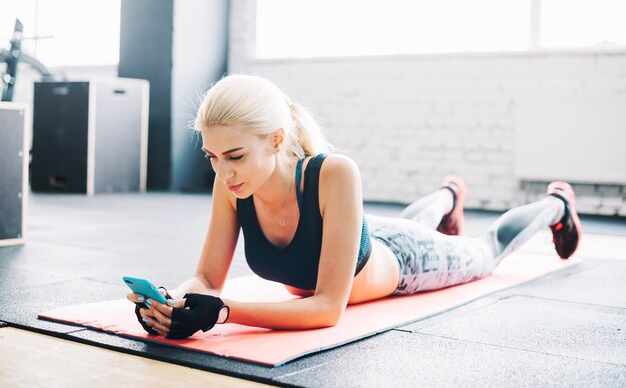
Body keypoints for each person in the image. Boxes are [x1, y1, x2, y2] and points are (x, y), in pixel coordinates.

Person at [127, 74, 582, 339]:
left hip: (407, 261)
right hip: (370, 240)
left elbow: (327, 308)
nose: (223, 173)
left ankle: (556, 204)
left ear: (276, 141)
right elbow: (207, 278)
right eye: (212, 157)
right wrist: (176, 302)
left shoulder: (334, 173)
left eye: (235, 156)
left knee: (487, 250)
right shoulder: (232, 186)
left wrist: (223, 311)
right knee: (402, 224)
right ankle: (448, 197)